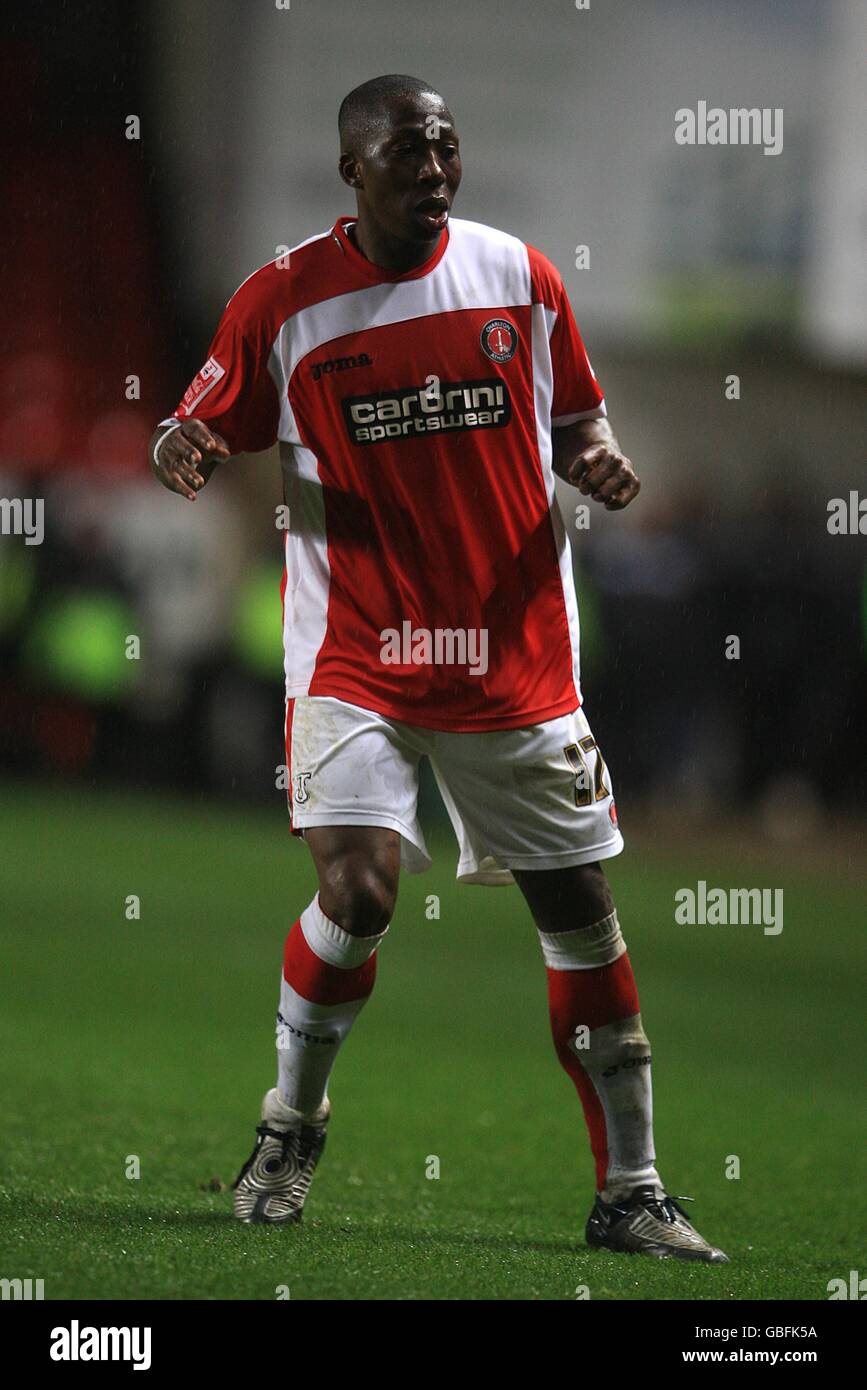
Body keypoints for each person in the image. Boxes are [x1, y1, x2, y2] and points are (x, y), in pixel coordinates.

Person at [148, 74, 726, 1262]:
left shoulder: (520, 274)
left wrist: (601, 461)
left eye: (448, 146)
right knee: (359, 893)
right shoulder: (283, 300)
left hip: (513, 658)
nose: (436, 167)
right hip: (357, 649)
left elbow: (581, 419)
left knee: (582, 917)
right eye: (408, 149)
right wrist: (187, 439)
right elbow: (204, 415)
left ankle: (633, 1189)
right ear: (352, 171)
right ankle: (291, 1120)